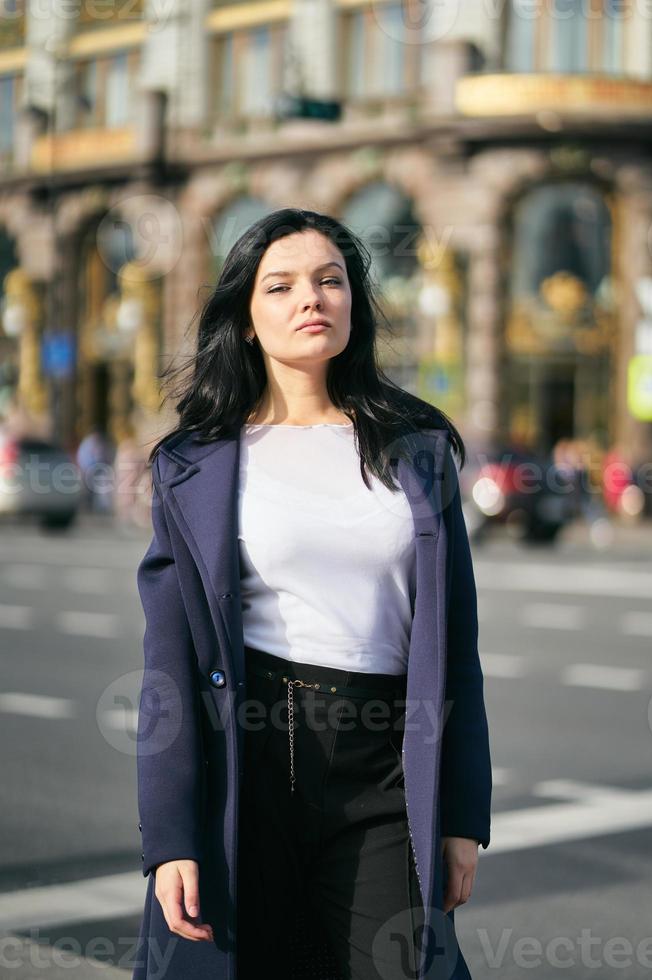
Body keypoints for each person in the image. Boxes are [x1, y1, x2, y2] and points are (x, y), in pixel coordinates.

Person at [132, 208, 492, 980]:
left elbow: (454, 647)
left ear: (354, 305)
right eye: (282, 285)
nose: (312, 299)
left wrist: (462, 815)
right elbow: (168, 658)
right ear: (248, 317)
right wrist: (169, 839)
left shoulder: (418, 450)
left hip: (383, 771)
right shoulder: (194, 464)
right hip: (247, 760)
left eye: (331, 281)